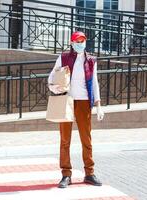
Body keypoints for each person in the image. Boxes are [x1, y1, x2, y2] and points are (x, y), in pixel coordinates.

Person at [48, 31, 104, 188]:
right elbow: (52, 76)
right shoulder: (64, 57)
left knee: (86, 139)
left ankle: (89, 173)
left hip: (84, 102)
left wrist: (99, 105)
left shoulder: (91, 60)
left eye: (83, 40)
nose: (80, 43)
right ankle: (66, 174)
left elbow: (95, 82)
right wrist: (55, 86)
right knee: (65, 139)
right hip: (66, 101)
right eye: (77, 40)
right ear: (72, 43)